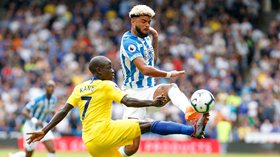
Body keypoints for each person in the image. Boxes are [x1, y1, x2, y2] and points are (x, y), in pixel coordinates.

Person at [26, 56, 207, 157]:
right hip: (104, 131)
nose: (113, 70)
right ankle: (192, 131)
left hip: (90, 142)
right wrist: (152, 102)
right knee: (149, 125)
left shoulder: (79, 88)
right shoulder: (107, 85)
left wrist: (44, 130)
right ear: (99, 71)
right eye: (108, 67)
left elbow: (63, 110)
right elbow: (127, 101)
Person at [119, 4, 209, 156]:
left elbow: (151, 62)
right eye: (143, 21)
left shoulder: (146, 38)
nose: (147, 25)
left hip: (149, 92)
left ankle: (190, 112)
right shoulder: (129, 42)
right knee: (132, 148)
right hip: (133, 96)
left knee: (171, 88)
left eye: (149, 22)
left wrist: (155, 38)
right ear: (133, 21)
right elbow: (145, 69)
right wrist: (168, 74)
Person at [21, 80, 57, 157]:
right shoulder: (38, 99)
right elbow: (24, 111)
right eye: (49, 86)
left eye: (53, 86)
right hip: (30, 127)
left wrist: (54, 122)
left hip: (42, 127)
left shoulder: (54, 100)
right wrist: (35, 120)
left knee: (52, 150)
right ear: (45, 88)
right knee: (29, 154)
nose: (51, 88)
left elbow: (53, 111)